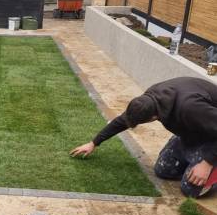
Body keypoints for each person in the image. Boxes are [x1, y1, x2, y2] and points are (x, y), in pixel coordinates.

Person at [70, 77, 217, 197]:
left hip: (211, 135)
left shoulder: (190, 108)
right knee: (163, 171)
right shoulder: (150, 99)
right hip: (196, 129)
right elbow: (123, 121)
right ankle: (192, 155)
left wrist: (207, 163)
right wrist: (94, 143)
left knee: (191, 190)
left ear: (153, 117)